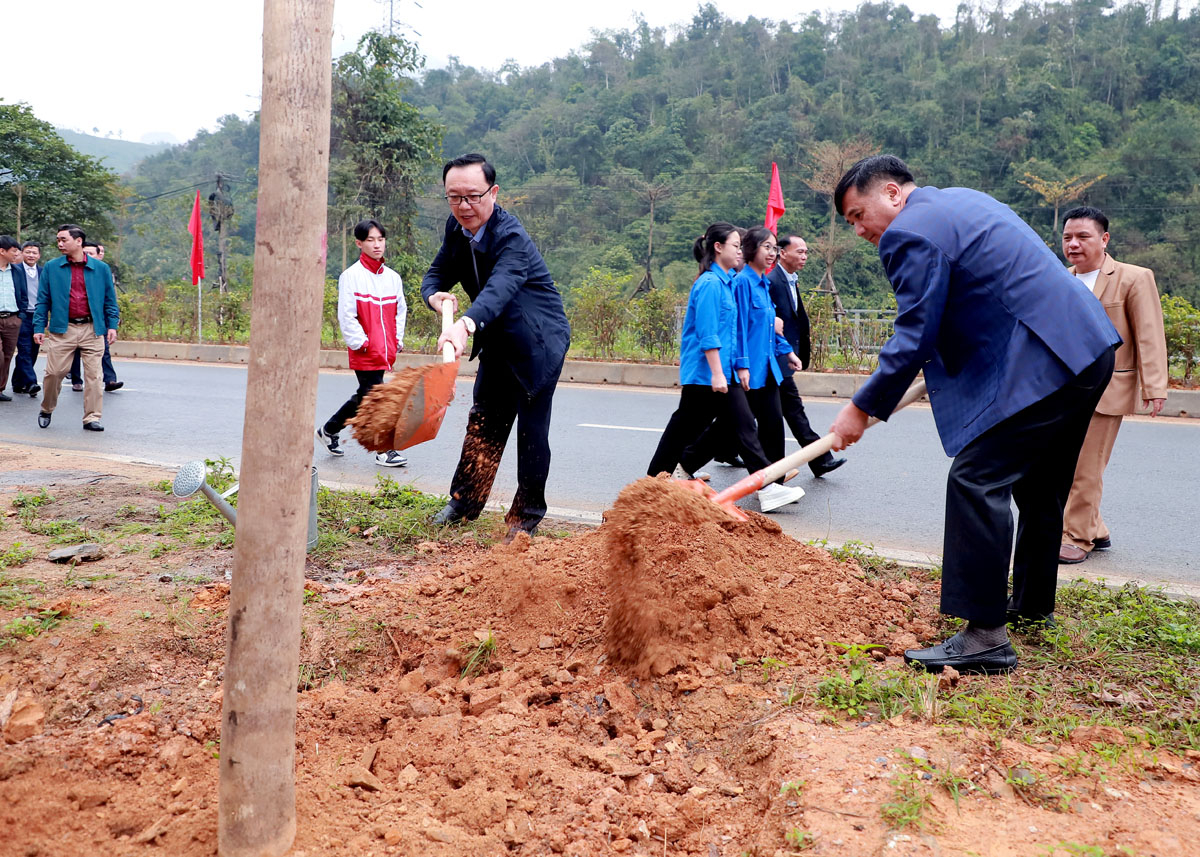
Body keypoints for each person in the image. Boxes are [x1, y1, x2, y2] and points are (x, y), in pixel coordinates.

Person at [829, 155, 1120, 674]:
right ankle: (1031, 607)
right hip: (1087, 349)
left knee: (975, 479)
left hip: (1048, 361)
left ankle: (985, 636)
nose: (858, 230)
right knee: (1039, 483)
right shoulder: (964, 200)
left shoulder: (909, 233)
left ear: (893, 194)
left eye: (857, 214)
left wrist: (859, 407)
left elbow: (915, 333)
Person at [421, 153, 572, 541]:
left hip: (537, 343)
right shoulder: (456, 231)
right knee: (484, 419)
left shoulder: (512, 238)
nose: (464, 206)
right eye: (454, 197)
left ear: (493, 191)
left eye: (473, 196)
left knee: (531, 432)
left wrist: (465, 324)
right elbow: (437, 273)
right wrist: (435, 298)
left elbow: (499, 288)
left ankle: (526, 517)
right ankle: (464, 503)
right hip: (497, 343)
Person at [646, 222, 806, 513]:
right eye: (735, 245)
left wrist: (738, 367)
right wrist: (719, 373)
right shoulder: (709, 285)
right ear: (718, 248)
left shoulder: (727, 283)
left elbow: (736, 333)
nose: (739, 251)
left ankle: (656, 480)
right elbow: (708, 334)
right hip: (707, 373)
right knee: (736, 426)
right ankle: (766, 488)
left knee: (688, 426)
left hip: (721, 372)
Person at [1057, 207, 1168, 564]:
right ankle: (1096, 527)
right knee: (1064, 463)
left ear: (1104, 239)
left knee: (1086, 466)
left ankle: (1077, 537)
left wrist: (1155, 386)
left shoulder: (1133, 278)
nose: (1074, 244)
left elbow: (1149, 334)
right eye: (1067, 237)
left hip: (1106, 390)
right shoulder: (1059, 279)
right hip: (1063, 391)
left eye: (1083, 236)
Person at [315, 218, 409, 468]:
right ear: (359, 243)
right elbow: (346, 314)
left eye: (380, 239)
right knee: (377, 398)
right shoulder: (351, 276)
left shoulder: (392, 278)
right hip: (365, 350)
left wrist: (396, 339)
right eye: (370, 240)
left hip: (386, 348)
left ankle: (328, 430)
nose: (377, 245)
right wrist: (361, 343)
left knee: (366, 396)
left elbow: (401, 310)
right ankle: (383, 449)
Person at [767, 234, 846, 477]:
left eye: (806, 252)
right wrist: (786, 352)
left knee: (788, 411)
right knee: (787, 412)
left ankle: (817, 460)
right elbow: (769, 323)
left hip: (783, 357)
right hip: (773, 358)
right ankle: (815, 460)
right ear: (783, 253)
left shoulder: (790, 280)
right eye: (799, 251)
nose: (804, 256)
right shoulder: (772, 281)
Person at [33, 224, 120, 431]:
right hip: (63, 329)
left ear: (78, 241)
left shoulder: (101, 269)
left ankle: (92, 417)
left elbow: (110, 300)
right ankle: (47, 408)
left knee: (94, 376)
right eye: (58, 240)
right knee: (54, 373)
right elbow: (43, 299)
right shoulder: (52, 267)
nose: (60, 244)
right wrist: (38, 326)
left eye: (64, 240)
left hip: (92, 328)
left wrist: (112, 325)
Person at [69, 242, 121, 393]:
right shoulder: (74, 270)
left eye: (91, 253)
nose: (87, 256)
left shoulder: (104, 271)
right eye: (85, 252)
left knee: (103, 349)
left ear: (99, 255)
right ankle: (76, 379)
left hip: (99, 319)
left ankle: (110, 379)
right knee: (75, 350)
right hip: (77, 319)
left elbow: (111, 298)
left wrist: (113, 320)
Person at [12, 241, 42, 397]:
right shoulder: (15, 270)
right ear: (22, 253)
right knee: (24, 349)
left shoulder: (43, 272)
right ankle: (31, 382)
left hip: (38, 316)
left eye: (34, 252)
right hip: (22, 314)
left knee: (33, 351)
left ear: (39, 255)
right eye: (28, 252)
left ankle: (18, 382)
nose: (31, 255)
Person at [0, 236, 27, 402]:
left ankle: (0, 388)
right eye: (14, 251)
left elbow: (23, 295)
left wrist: (20, 317)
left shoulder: (17, 271)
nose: (16, 254)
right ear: (2, 251)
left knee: (8, 355)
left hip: (12, 319)